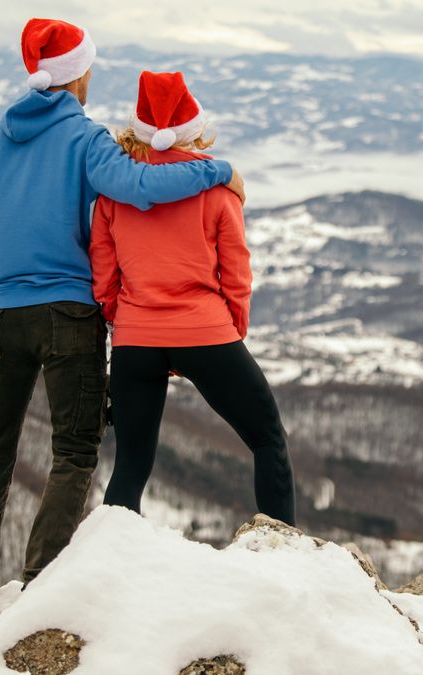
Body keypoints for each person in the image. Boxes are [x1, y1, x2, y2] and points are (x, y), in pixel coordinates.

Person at [0, 18, 246, 627]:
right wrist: (220, 173)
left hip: (4, 314)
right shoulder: (86, 140)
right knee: (75, 452)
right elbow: (139, 186)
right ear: (79, 73)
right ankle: (40, 588)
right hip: (72, 316)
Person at [90, 71, 296, 528]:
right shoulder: (218, 192)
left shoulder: (114, 194)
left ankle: (109, 566)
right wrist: (229, 332)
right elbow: (236, 274)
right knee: (267, 439)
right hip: (206, 333)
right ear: (193, 129)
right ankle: (286, 551)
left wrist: (123, 322)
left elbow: (103, 277)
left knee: (131, 463)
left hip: (135, 340)